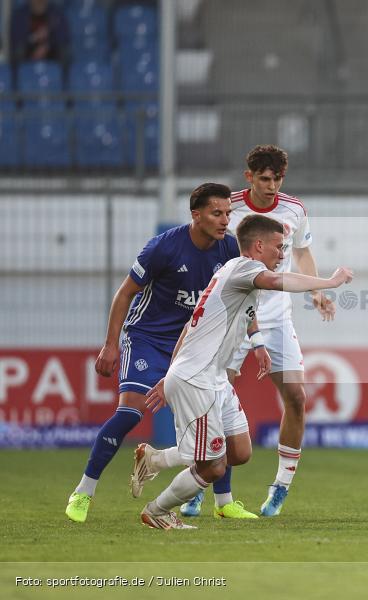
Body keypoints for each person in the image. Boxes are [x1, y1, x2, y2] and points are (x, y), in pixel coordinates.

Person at [138, 214, 353, 529]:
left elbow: (192, 324)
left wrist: (257, 344)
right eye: (279, 247)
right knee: (212, 466)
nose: (283, 255)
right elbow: (282, 282)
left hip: (212, 378)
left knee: (239, 451)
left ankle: (157, 459)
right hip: (198, 380)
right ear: (259, 245)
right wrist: (329, 282)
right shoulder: (245, 268)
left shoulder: (235, 275)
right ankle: (156, 511)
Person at [65, 183, 249, 523]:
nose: (225, 220)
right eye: (216, 213)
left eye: (228, 213)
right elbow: (124, 294)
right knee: (131, 412)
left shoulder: (230, 249)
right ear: (196, 215)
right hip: (148, 338)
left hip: (193, 347)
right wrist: (110, 344)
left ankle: (224, 502)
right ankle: (83, 492)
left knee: (217, 418)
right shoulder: (164, 247)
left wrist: (252, 342)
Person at [179, 145, 335, 518]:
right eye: (264, 178)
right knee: (213, 397)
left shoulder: (294, 209)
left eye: (277, 178)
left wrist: (317, 290)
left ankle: (279, 487)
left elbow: (302, 252)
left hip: (277, 315)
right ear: (249, 176)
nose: (271, 185)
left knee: (296, 396)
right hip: (233, 315)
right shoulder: (229, 207)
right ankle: (199, 482)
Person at [10, 0, 70, 65]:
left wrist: (47, 46)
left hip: (52, 55)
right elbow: (17, 40)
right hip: (27, 55)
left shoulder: (57, 13)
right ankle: (20, 74)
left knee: (64, 52)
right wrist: (34, 39)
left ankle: (63, 74)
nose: (39, 1)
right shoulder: (20, 15)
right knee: (19, 51)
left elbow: (63, 39)